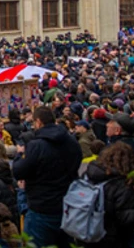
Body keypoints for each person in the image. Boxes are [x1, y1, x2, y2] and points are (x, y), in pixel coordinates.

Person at [12, 106, 82, 248]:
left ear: (38, 122)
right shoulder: (71, 142)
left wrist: (19, 155)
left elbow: (19, 171)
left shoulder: (36, 146)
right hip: (66, 206)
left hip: (41, 208)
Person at [83, 142, 134, 248]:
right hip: (115, 238)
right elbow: (126, 218)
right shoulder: (123, 185)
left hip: (89, 230)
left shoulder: (88, 176)